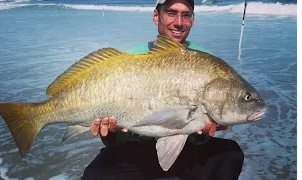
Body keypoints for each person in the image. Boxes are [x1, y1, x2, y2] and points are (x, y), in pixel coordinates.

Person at [82, 0, 244, 179]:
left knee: (230, 155)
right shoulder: (130, 59)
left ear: (193, 19)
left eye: (186, 14)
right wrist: (111, 133)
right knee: (95, 175)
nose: (179, 22)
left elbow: (198, 129)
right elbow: (116, 134)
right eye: (171, 13)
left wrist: (202, 134)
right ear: (156, 16)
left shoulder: (209, 63)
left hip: (187, 152)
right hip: (135, 152)